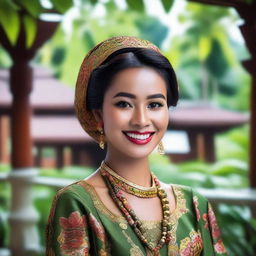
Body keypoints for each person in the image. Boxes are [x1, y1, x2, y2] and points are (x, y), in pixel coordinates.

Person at [46, 36, 227, 256]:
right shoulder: (77, 203)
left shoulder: (195, 206)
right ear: (98, 114)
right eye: (124, 104)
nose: (141, 120)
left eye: (154, 104)